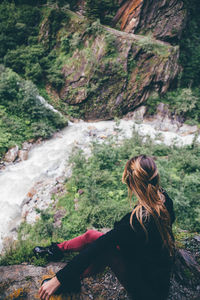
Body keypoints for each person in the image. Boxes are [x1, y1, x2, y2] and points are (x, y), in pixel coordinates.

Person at [36, 154, 175, 300]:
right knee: (91, 235)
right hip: (149, 267)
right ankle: (56, 249)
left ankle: (71, 281)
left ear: (131, 183)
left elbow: (96, 248)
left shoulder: (135, 222)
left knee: (104, 250)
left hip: (147, 291)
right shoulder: (164, 199)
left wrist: (59, 278)